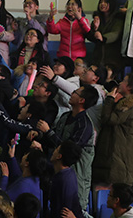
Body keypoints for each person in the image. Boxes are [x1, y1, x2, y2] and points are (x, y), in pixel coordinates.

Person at [36, 84, 99, 212]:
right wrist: (39, 136)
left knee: (71, 211)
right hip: (56, 173)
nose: (72, 93)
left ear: (81, 100)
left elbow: (69, 150)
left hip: (76, 178)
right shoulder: (65, 116)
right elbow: (54, 139)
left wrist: (48, 132)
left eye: (75, 92)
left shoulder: (85, 125)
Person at [92, 73, 133, 187]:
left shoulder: (128, 108)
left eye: (124, 81)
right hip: (116, 160)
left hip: (117, 163)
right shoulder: (128, 106)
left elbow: (108, 119)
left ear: (129, 87)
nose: (120, 83)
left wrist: (110, 99)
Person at [87, 0, 124, 70]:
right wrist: (95, 29)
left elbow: (115, 34)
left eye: (105, 2)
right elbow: (90, 36)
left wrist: (103, 38)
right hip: (98, 57)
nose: (102, 4)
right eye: (101, 2)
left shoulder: (118, 18)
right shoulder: (97, 19)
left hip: (113, 57)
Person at [49, 140, 84, 218]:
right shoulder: (68, 173)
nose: (53, 152)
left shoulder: (64, 180)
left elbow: (64, 212)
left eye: (56, 149)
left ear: (59, 156)